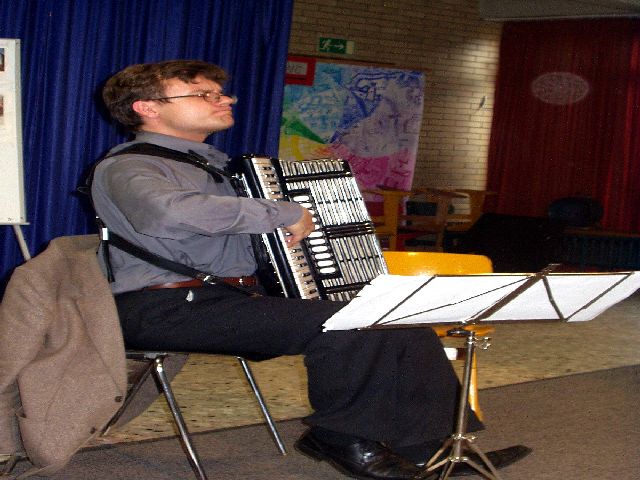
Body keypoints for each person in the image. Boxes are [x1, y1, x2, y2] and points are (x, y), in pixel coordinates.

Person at [91, 59, 530, 480]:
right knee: (348, 326)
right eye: (203, 94)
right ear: (146, 108)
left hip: (228, 298)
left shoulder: (214, 165)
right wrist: (282, 212)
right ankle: (341, 436)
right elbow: (167, 215)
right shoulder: (130, 166)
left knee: (398, 321)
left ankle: (433, 449)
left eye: (221, 93)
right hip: (162, 305)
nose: (225, 100)